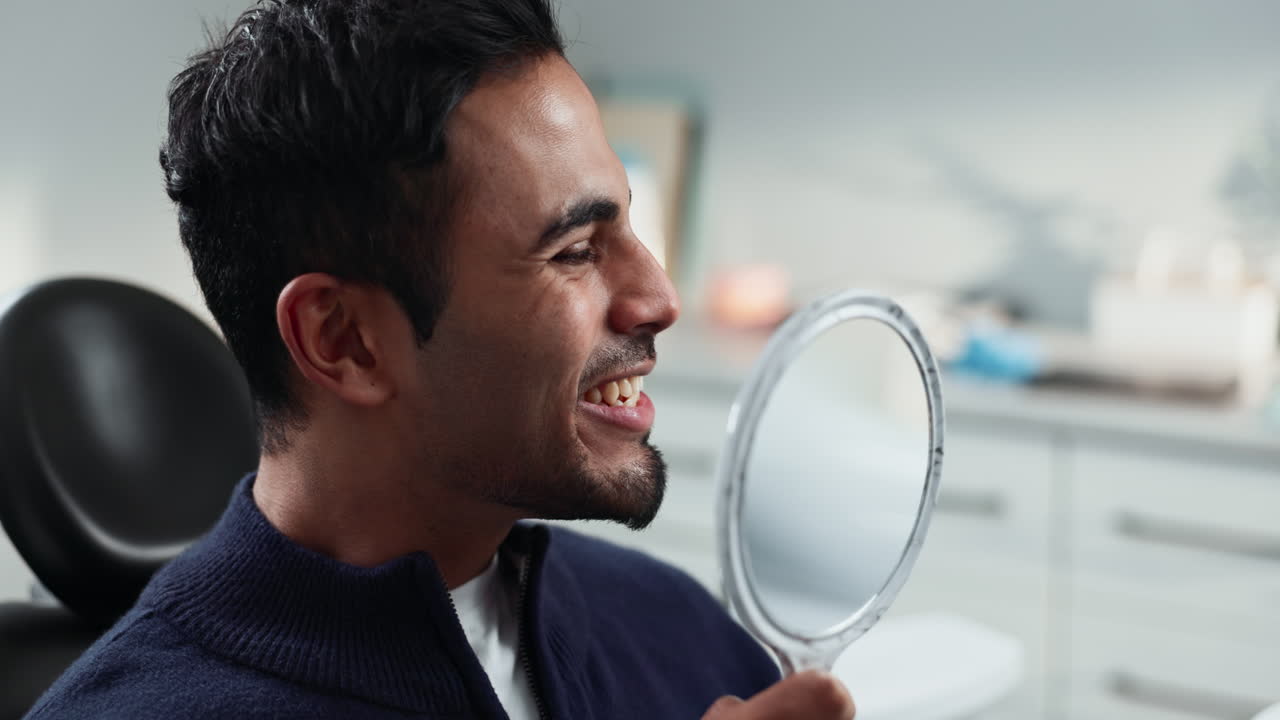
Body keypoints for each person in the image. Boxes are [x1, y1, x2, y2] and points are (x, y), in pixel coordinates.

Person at [27, 1, 856, 718]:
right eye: (573, 250)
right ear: (343, 341)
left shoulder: (675, 631)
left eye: (628, 228)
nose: (659, 298)